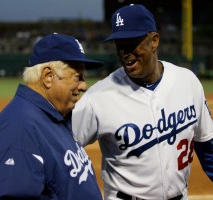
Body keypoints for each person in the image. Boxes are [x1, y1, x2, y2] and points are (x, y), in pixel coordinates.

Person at [72, 4, 213, 200]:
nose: (124, 52)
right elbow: (62, 150)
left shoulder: (187, 82)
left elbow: (208, 150)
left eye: (131, 43)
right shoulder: (97, 97)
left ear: (154, 41)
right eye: (119, 45)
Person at [0, 33, 104, 199]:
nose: (84, 86)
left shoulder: (53, 117)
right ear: (48, 77)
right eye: (78, 77)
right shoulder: (19, 128)